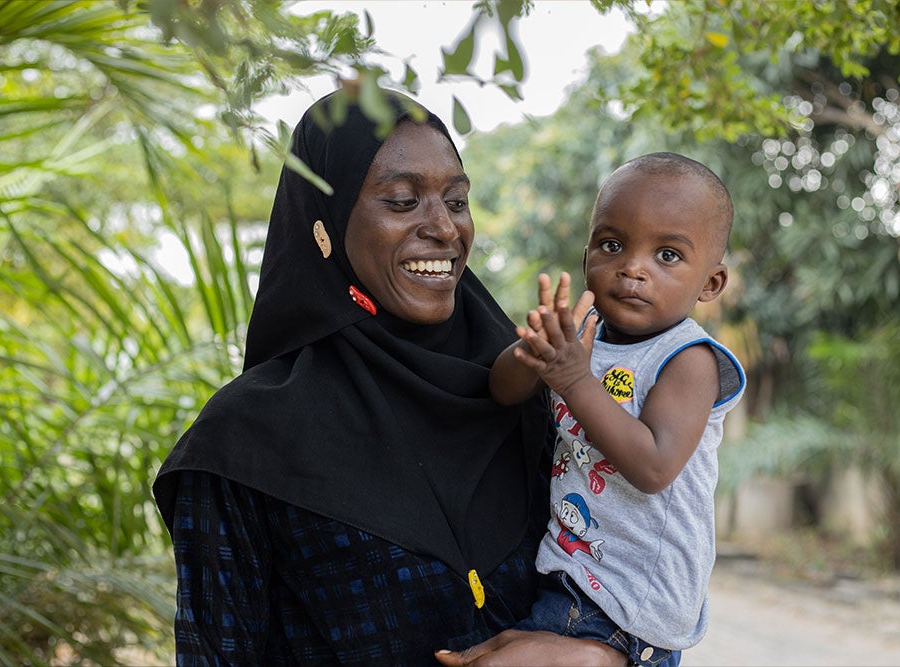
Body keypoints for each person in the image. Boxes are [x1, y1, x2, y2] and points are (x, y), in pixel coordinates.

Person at [152, 84, 627, 666]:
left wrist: (601, 658)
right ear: (324, 225)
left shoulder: (523, 391)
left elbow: (634, 576)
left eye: (456, 201)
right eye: (402, 201)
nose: (446, 230)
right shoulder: (243, 440)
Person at [472, 153, 746, 667]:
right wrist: (537, 351)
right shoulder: (581, 335)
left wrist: (573, 377)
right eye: (612, 245)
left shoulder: (689, 359)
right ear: (586, 258)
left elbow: (654, 467)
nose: (632, 267)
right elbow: (502, 390)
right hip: (568, 579)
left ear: (710, 283)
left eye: (667, 255)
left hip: (633, 609)